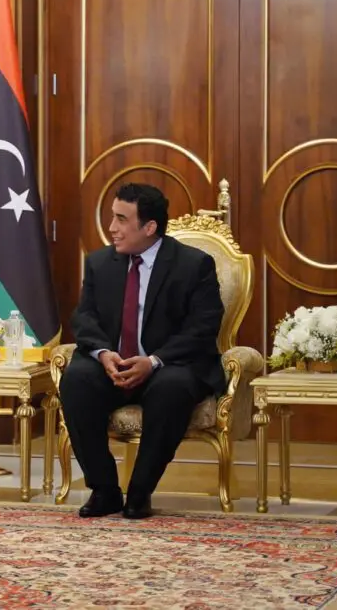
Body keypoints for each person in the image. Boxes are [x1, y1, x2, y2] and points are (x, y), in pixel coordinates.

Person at [60, 183, 224, 520]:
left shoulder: (193, 265)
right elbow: (84, 318)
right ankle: (104, 490)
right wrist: (104, 353)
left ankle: (139, 492)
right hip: (113, 364)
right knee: (76, 379)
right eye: (112, 217)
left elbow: (203, 327)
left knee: (172, 387)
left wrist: (153, 361)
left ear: (149, 227)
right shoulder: (99, 263)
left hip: (168, 364)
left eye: (122, 219)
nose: (112, 227)